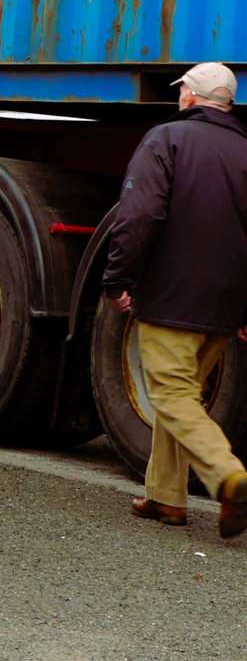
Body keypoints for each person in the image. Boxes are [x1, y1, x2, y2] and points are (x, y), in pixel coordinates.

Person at [102, 61, 247, 538]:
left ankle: (227, 475)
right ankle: (166, 498)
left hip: (170, 297)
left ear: (191, 97)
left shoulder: (167, 139)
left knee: (172, 394)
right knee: (182, 396)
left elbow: (139, 215)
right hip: (224, 305)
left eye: (181, 90)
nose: (178, 97)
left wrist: (119, 277)